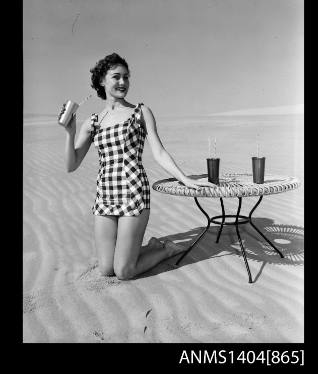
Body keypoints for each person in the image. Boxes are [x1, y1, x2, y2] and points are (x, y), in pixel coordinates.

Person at [63, 53, 216, 280]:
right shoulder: (93, 122)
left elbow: (159, 152)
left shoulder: (140, 112)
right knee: (106, 269)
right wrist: (70, 132)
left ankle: (165, 249)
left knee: (124, 271)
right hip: (105, 194)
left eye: (126, 77)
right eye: (116, 77)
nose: (123, 82)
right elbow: (71, 165)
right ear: (102, 81)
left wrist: (183, 178)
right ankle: (148, 247)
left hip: (133, 192)